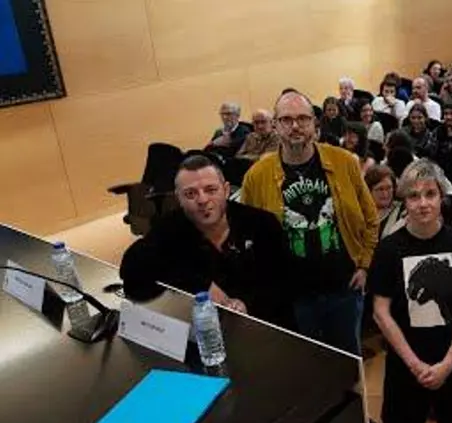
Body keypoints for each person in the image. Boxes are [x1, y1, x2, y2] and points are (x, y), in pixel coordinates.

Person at [241, 90, 379, 356]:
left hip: (344, 289)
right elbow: (247, 235)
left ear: (315, 124)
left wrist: (364, 264)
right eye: (286, 119)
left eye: (303, 118)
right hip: (293, 297)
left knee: (347, 363)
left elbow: (371, 218)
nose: (295, 126)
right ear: (275, 125)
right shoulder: (257, 176)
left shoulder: (344, 162)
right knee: (304, 365)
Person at [370, 159, 452, 423]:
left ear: (441, 197)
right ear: (404, 201)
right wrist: (415, 364)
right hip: (406, 364)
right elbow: (380, 312)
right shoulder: (389, 249)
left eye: (430, 194)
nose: (423, 203)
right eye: (414, 196)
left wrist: (448, 363)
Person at [120, 155, 288, 325]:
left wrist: (247, 306)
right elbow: (131, 269)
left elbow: (282, 284)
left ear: (226, 190)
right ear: (179, 198)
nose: (202, 200)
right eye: (190, 194)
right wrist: (201, 285)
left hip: (264, 328)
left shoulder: (262, 223)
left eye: (211, 190)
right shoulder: (171, 226)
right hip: (199, 327)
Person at [365, 164, 406, 240]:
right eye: (380, 189)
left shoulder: (403, 211)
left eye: (389, 188)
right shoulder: (361, 213)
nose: (385, 194)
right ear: (369, 191)